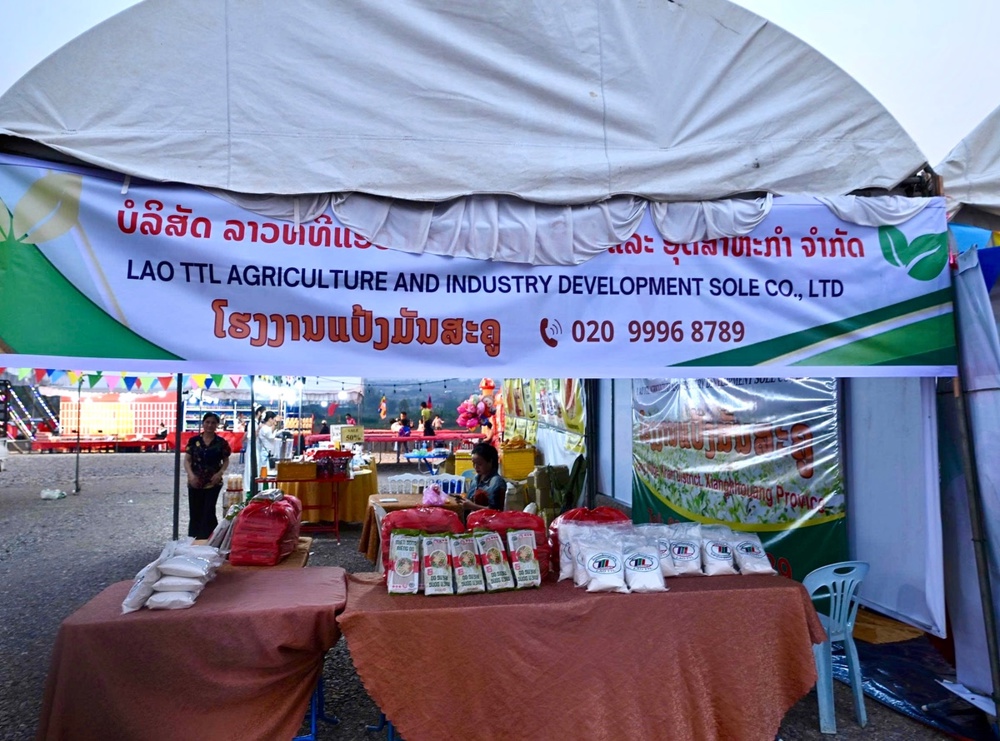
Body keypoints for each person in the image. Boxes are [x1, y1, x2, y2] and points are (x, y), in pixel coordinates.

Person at [184, 412, 232, 539]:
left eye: (213, 423)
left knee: (208, 511)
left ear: (217, 425)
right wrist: (191, 475)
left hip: (213, 482)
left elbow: (226, 460)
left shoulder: (221, 443)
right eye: (207, 422)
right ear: (203, 423)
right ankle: (193, 539)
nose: (210, 425)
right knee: (195, 512)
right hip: (195, 481)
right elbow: (187, 460)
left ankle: (209, 539)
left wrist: (220, 473)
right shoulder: (194, 441)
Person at [461, 442, 507, 512]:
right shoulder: (475, 478)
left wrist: (472, 506)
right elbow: (470, 499)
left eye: (479, 464)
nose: (476, 467)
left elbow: (496, 511)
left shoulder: (496, 482)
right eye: (474, 463)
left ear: (490, 462)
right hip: (472, 516)